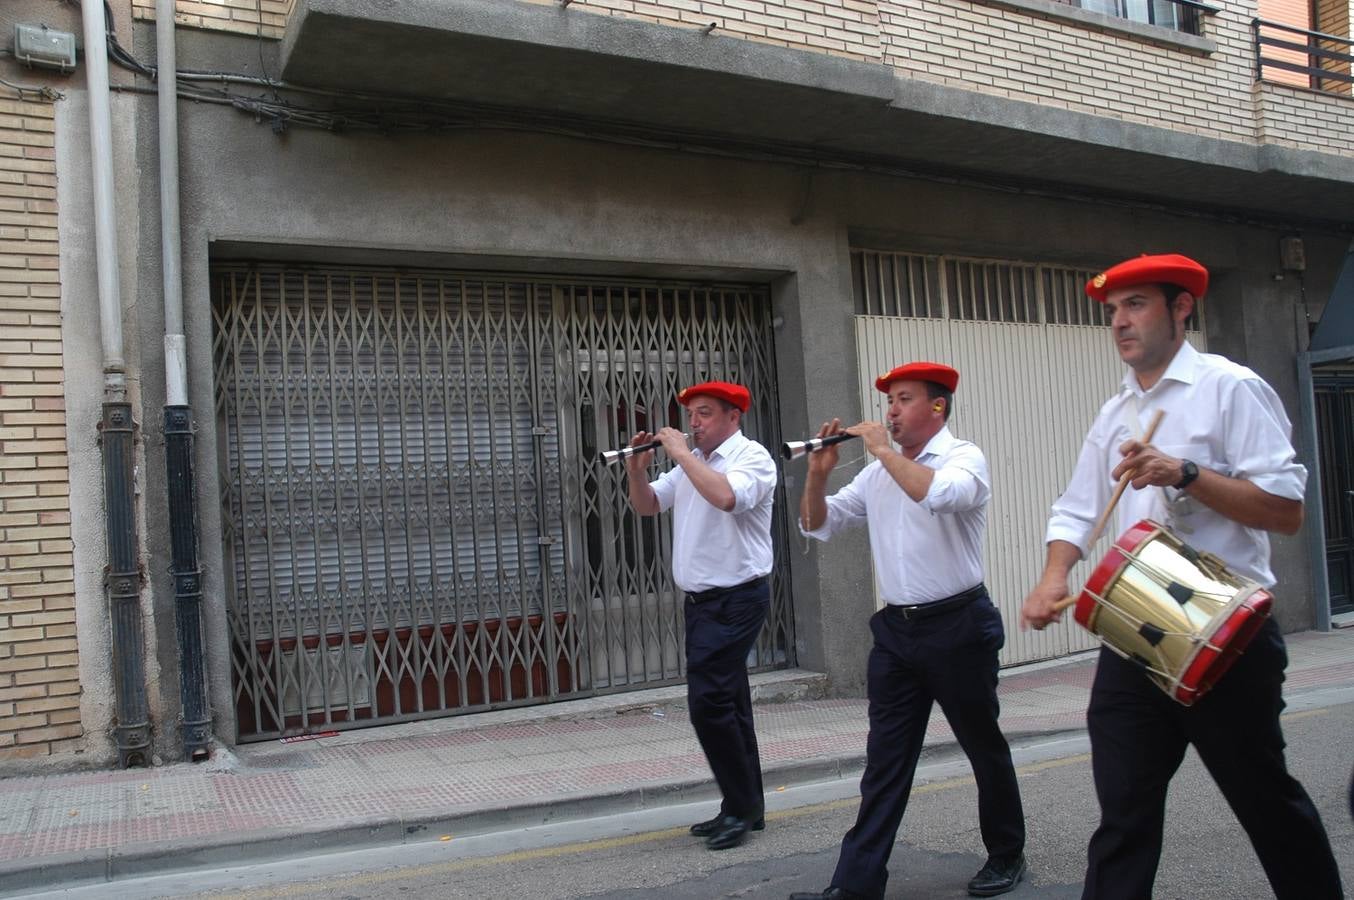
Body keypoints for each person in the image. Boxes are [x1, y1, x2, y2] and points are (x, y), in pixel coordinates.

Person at [1021, 253, 1344, 900]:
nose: (1119, 323)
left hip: (1226, 636)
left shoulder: (1230, 387)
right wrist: (1054, 576)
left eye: (1136, 304)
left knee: (1267, 807)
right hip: (1133, 639)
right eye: (1112, 311)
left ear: (1182, 308)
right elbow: (1077, 508)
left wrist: (1186, 473)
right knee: (1123, 819)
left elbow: (1285, 511)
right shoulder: (1115, 412)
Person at [787, 362, 1027, 900]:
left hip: (959, 624)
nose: (889, 411)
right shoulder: (878, 473)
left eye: (903, 399)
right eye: (889, 401)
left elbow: (937, 495)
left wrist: (881, 450)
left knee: (981, 743)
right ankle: (856, 883)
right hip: (898, 633)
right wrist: (820, 473)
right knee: (886, 759)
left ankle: (1007, 851)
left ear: (936, 407)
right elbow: (818, 524)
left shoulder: (964, 458)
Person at [623, 380, 777, 852]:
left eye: (705, 414)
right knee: (730, 704)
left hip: (738, 598)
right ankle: (746, 805)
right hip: (703, 604)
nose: (694, 424)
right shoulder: (695, 463)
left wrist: (681, 455)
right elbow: (647, 505)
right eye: (691, 415)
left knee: (707, 704)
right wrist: (635, 470)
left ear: (733, 417)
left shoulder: (753, 459)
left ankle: (740, 807)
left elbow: (727, 498)